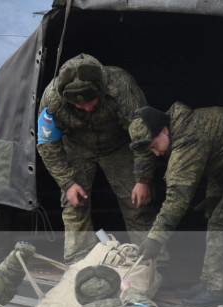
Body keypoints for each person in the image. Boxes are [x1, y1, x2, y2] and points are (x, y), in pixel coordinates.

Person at [127, 104, 223, 307]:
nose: (156, 153)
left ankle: (216, 291)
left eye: (154, 145)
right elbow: (218, 158)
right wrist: (214, 197)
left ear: (164, 130)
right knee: (219, 216)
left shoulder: (188, 137)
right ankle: (209, 283)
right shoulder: (186, 127)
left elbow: (177, 196)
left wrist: (156, 238)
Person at [36, 53, 158, 264]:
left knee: (138, 202)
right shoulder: (52, 100)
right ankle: (77, 263)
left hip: (119, 146)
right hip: (76, 148)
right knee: (74, 205)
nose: (86, 107)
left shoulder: (122, 86)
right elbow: (47, 145)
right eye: (78, 105)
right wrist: (68, 183)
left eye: (91, 101)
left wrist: (143, 180)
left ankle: (152, 263)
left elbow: (143, 137)